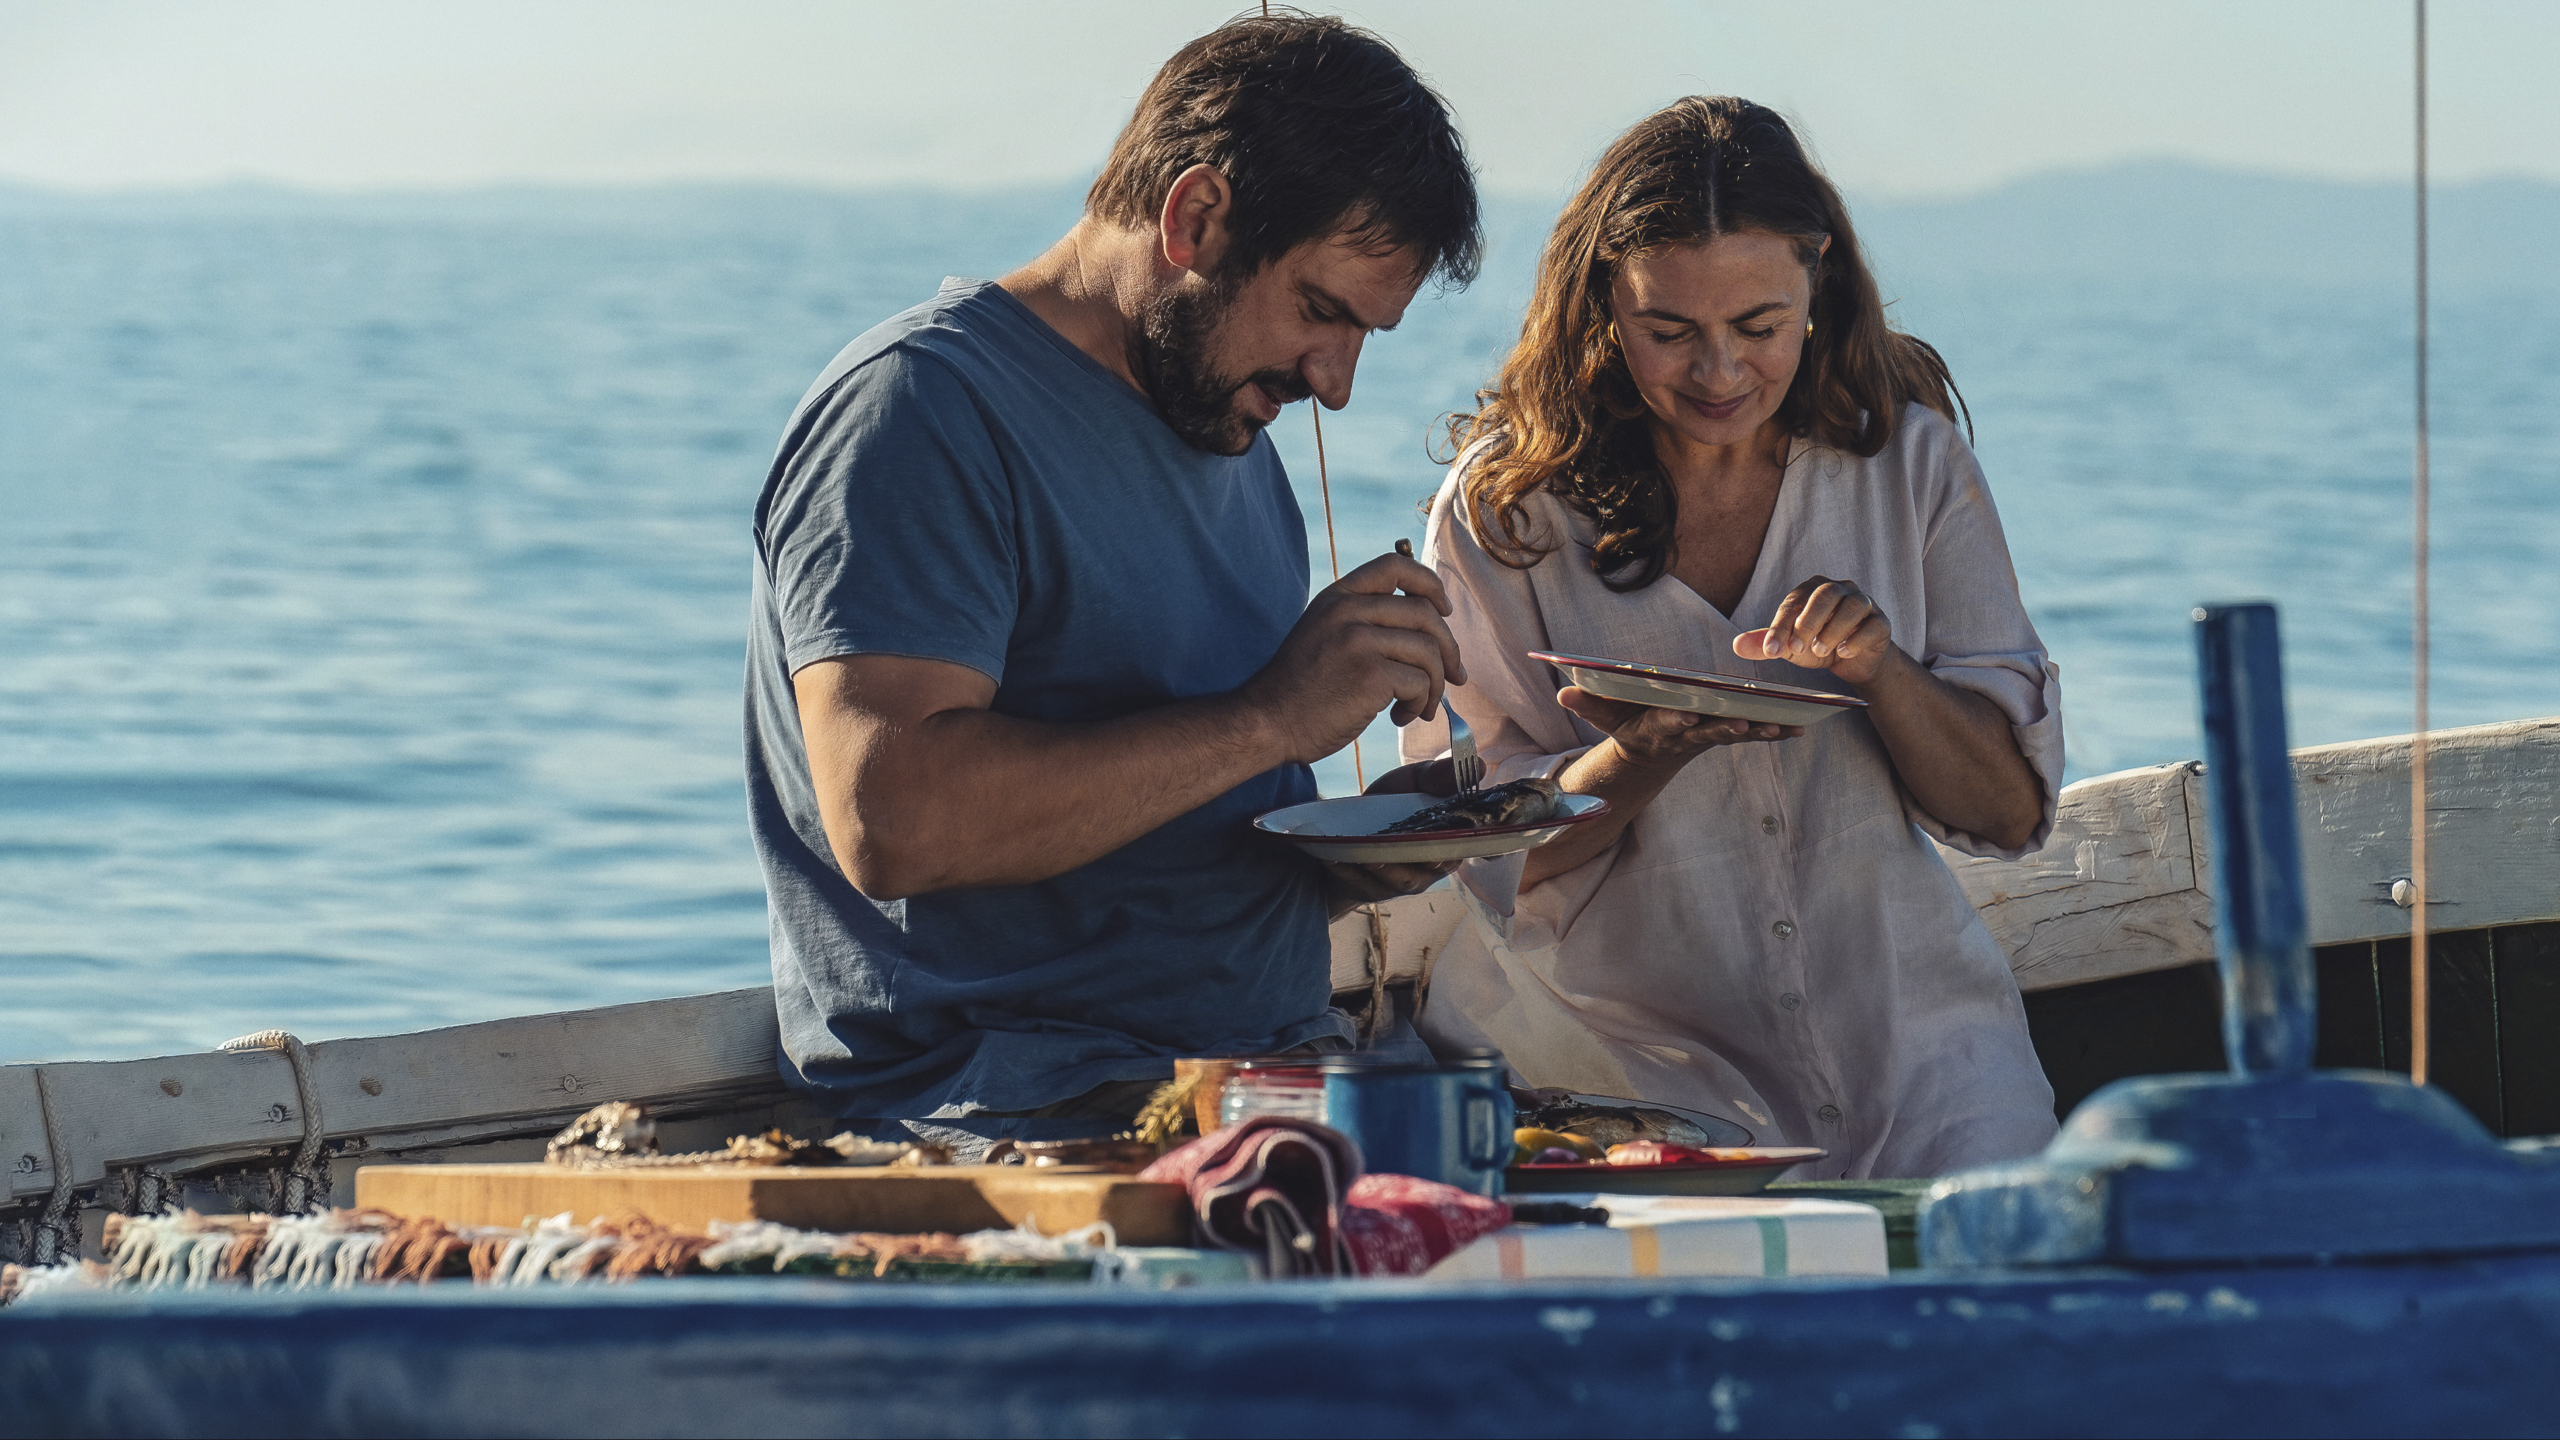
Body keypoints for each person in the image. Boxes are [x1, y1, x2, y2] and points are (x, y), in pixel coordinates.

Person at [742, 14, 1482, 1159]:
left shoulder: (1237, 440)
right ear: (1193, 218)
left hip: (1279, 1089)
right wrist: (1273, 717)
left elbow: (1176, 834)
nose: (1333, 382)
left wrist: (1383, 838)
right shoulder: (921, 410)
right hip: (1024, 1118)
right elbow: (894, 821)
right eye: (1322, 311)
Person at [1403, 97, 2061, 1178]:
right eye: (1669, 333)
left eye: (1758, 328)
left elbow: (2009, 810)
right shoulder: (1504, 513)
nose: (1718, 372)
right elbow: (1473, 864)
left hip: (1935, 1072)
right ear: (1601, 313)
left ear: (1821, 290)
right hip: (1630, 1089)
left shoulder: (1911, 465)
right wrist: (1640, 752)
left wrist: (1881, 673)